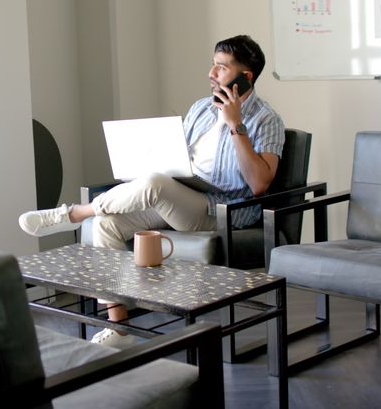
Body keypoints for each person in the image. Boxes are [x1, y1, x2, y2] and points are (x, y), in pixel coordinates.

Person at [18, 34, 285, 348]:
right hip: (177, 196)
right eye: (212, 66)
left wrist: (235, 125)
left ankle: (75, 213)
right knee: (107, 224)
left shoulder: (266, 120)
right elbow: (179, 160)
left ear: (245, 76)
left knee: (154, 183)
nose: (211, 74)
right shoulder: (201, 108)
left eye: (221, 68)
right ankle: (119, 328)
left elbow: (259, 183)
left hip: (220, 211)